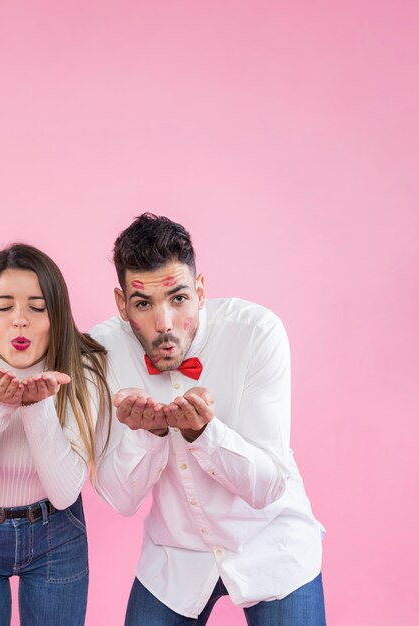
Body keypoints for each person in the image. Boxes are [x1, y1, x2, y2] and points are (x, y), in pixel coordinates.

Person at [92, 213, 326, 626]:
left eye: (178, 298)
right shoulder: (102, 351)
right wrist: (149, 435)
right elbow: (118, 499)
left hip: (270, 542)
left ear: (200, 291)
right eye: (143, 304)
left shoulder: (257, 332)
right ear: (121, 304)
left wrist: (204, 434)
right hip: (174, 557)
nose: (163, 325)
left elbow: (269, 484)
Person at [0, 243, 110, 626]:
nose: (20, 321)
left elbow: (64, 493)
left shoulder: (83, 364)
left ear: (56, 315)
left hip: (56, 536)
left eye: (37, 307)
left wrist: (36, 407)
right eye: (5, 306)